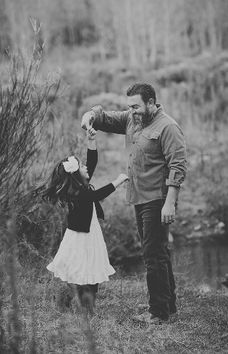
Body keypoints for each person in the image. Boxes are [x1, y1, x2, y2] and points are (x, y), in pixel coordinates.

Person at [81, 83, 187, 324]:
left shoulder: (168, 127)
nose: (132, 111)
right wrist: (89, 117)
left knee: (153, 255)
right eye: (129, 107)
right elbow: (103, 118)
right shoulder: (132, 119)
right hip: (138, 197)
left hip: (157, 199)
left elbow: (178, 167)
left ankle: (158, 313)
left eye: (136, 106)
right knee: (159, 252)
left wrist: (170, 203)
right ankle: (167, 305)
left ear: (151, 103)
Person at [43, 127, 129, 313]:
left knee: (90, 268)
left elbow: (92, 162)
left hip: (90, 233)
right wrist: (119, 180)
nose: (86, 168)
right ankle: (80, 305)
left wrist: (91, 141)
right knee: (81, 271)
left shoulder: (80, 186)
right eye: (82, 167)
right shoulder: (78, 193)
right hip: (80, 237)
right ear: (75, 174)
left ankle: (84, 304)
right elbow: (97, 194)